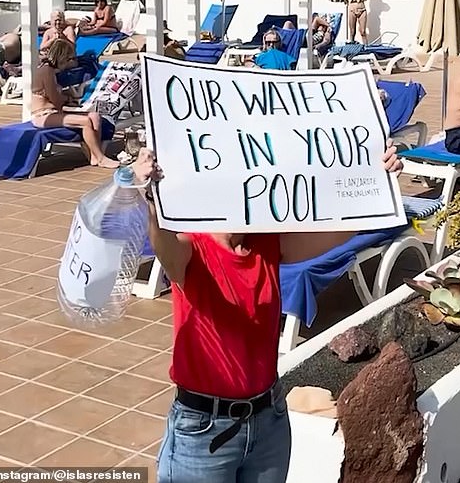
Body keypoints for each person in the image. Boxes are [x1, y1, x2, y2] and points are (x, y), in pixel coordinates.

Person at [130, 142, 404, 483]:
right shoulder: (191, 248)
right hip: (203, 432)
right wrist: (152, 201)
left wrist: (379, 181)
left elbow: (343, 231)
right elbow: (165, 246)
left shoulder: (268, 242)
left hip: (268, 422)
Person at [31, 39, 120, 169]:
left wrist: (69, 97)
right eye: (70, 58)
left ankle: (94, 156)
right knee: (85, 121)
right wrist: (69, 99)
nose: (71, 62)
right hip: (42, 115)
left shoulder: (53, 72)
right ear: (63, 57)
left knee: (95, 116)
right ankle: (101, 158)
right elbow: (55, 99)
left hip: (54, 112)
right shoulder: (47, 71)